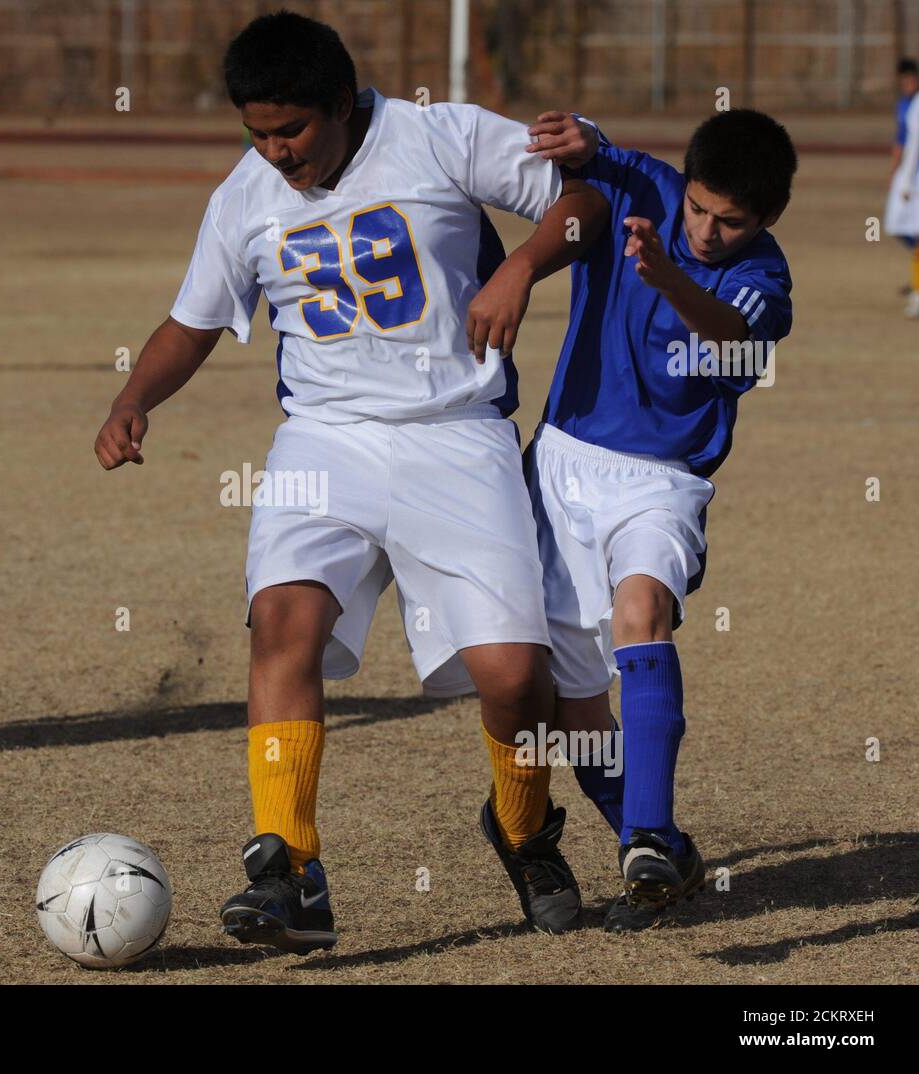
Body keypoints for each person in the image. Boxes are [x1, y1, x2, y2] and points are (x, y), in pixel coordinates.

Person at [95, 11, 609, 950]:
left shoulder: (438, 134)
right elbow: (195, 319)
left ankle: (526, 829)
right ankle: (292, 871)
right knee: (282, 620)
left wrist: (525, 268)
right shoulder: (245, 195)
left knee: (515, 676)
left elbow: (585, 202)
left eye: (290, 129)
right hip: (323, 440)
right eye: (256, 132)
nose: (275, 152)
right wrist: (134, 400)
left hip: (459, 435)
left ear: (342, 102)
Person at [531, 110, 796, 930]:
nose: (710, 231)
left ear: (766, 222)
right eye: (700, 211)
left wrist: (669, 275)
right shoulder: (647, 185)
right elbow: (591, 149)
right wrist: (578, 134)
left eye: (733, 222)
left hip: (662, 480)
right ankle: (659, 850)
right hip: (560, 458)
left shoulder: (765, 280)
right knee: (573, 701)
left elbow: (728, 333)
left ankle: (644, 835)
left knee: (640, 616)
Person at [885, 58, 919, 317]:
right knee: (911, 233)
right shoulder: (916, 105)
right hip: (918, 177)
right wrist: (905, 177)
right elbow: (910, 143)